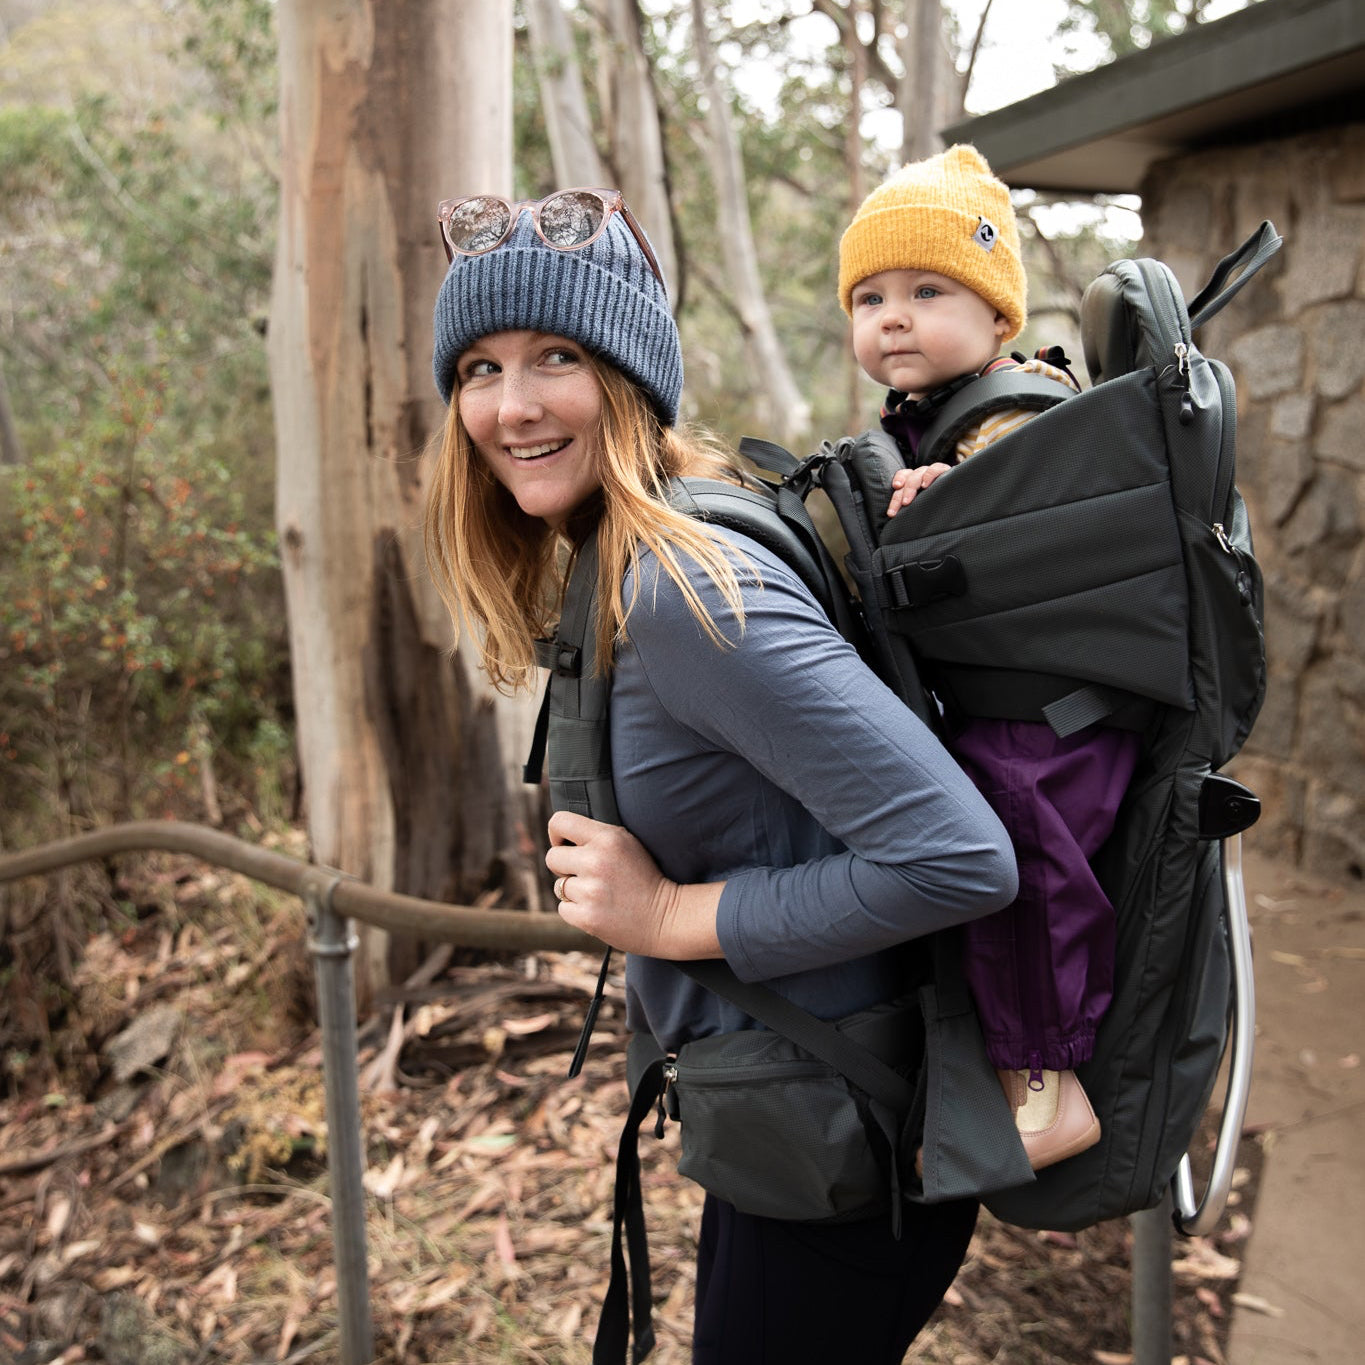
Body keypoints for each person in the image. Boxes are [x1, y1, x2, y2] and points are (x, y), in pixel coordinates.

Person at [423, 186, 1019, 1364]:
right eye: (479, 369)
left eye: (558, 357)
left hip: (841, 1160)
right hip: (801, 1127)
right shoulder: (634, 555)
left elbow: (960, 857)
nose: (514, 404)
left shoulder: (684, 591)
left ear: (633, 377)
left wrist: (667, 915)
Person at [837, 144, 1143, 1169]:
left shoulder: (1017, 408)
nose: (893, 316)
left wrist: (957, 503)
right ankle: (1011, 1063)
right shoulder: (923, 419)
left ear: (998, 317)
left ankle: (1048, 1081)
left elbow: (1039, 498)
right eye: (871, 296)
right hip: (1006, 695)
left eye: (929, 290)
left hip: (1053, 708)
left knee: (1024, 860)